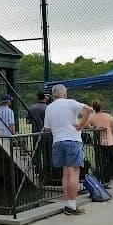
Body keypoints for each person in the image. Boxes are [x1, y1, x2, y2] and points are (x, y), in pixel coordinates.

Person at [43, 84, 93, 215]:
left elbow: (47, 128)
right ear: (64, 93)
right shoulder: (70, 103)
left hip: (57, 141)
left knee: (65, 173)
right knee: (74, 172)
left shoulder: (49, 108)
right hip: (72, 140)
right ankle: (72, 205)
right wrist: (82, 125)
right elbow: (88, 109)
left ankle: (68, 203)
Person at [87, 100, 113, 186]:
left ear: (93, 108)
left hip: (98, 143)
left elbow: (85, 125)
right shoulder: (109, 117)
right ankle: (107, 179)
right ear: (102, 107)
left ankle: (102, 178)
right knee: (110, 162)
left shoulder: (92, 117)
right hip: (109, 142)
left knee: (100, 162)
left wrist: (94, 127)